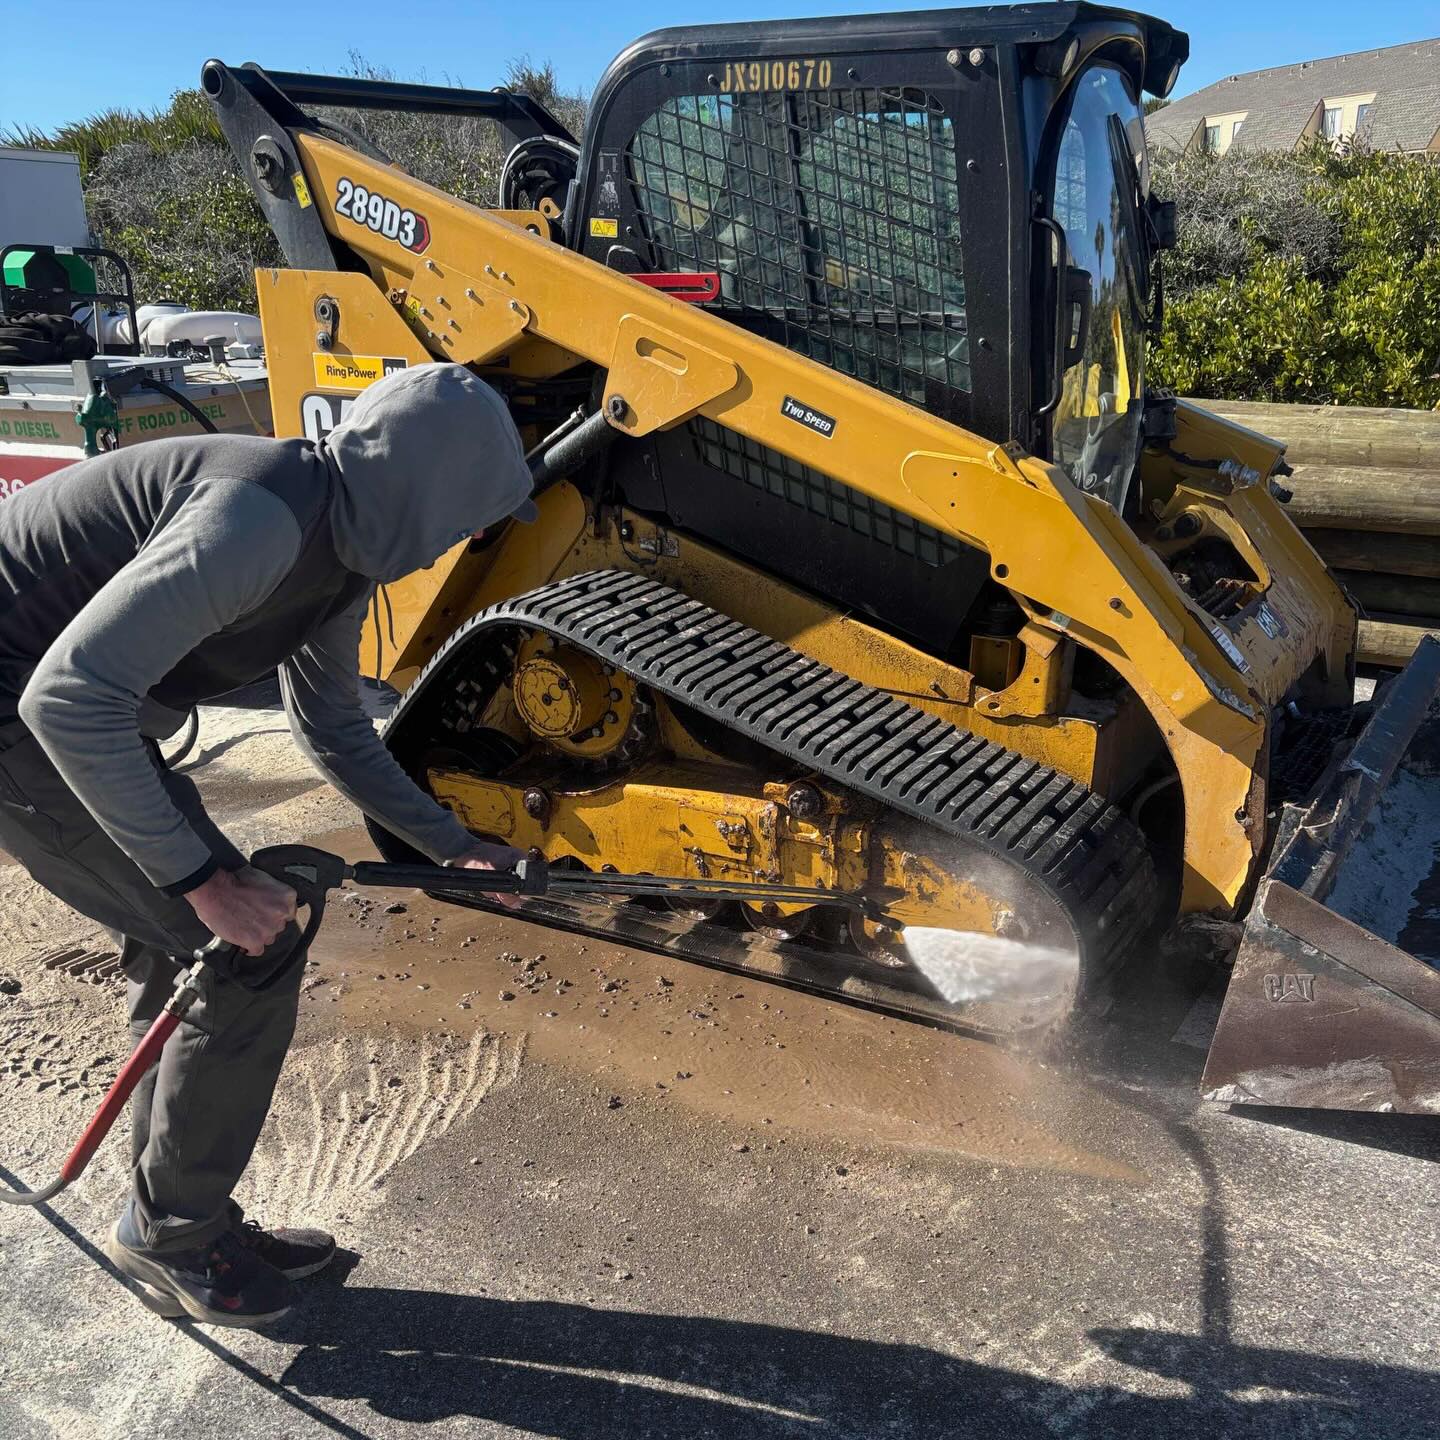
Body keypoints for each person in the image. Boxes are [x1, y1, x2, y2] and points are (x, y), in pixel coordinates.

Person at [0, 362, 535, 1328]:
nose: (466, 538)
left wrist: (451, 846)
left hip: (59, 715)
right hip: (20, 719)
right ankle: (178, 1236)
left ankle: (170, 1219)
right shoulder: (259, 519)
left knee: (203, 948)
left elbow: (333, 729)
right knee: (243, 942)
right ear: (425, 492)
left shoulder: (341, 551)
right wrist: (204, 880)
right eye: (467, 516)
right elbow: (66, 699)